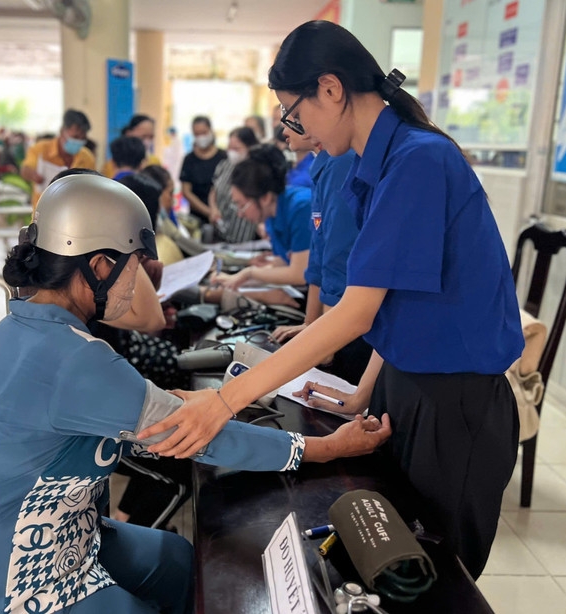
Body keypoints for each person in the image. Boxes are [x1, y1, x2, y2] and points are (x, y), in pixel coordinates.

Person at [137, 20, 524, 581]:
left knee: (435, 577)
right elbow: (398, 305)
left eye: (295, 114)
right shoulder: (378, 166)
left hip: (453, 404)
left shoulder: (418, 160)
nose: (299, 132)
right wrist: (363, 391)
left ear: (331, 88)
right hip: (407, 386)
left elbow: (358, 311)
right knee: (390, 560)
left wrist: (222, 404)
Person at [0, 173, 391, 613]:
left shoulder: (23, 326)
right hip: (8, 576)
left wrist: (158, 403)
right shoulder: (77, 358)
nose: (142, 278)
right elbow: (204, 437)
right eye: (136, 265)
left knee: (175, 558)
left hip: (36, 533)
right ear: (100, 265)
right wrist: (327, 447)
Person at [272, 128, 371, 385]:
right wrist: (311, 325)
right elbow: (318, 260)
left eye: (293, 117)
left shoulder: (342, 162)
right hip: (333, 318)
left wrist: (325, 340)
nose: (285, 128)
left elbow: (338, 261)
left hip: (349, 320)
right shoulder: (323, 164)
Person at [211, 144, 311, 290]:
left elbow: (299, 274)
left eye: (241, 205)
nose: (240, 213)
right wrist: (235, 280)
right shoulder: (271, 214)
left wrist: (249, 274)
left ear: (265, 198)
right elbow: (281, 266)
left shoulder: (301, 208)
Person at [21, 109, 96, 207]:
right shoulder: (41, 149)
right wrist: (34, 175)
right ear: (62, 131)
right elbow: (25, 170)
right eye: (75, 137)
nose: (78, 141)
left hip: (74, 212)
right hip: (43, 213)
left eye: (83, 139)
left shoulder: (87, 157)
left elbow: (91, 187)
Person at [208, 126, 260, 243]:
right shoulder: (224, 165)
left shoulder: (256, 171)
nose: (232, 152)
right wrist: (213, 208)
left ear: (249, 147)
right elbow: (214, 190)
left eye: (237, 149)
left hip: (244, 237)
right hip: (220, 233)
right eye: (229, 148)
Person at [178, 115, 226, 225]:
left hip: (222, 215)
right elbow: (186, 191)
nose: (201, 137)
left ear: (211, 131)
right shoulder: (189, 159)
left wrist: (216, 213)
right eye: (197, 134)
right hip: (197, 217)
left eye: (204, 133)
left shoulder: (224, 157)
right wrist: (209, 212)